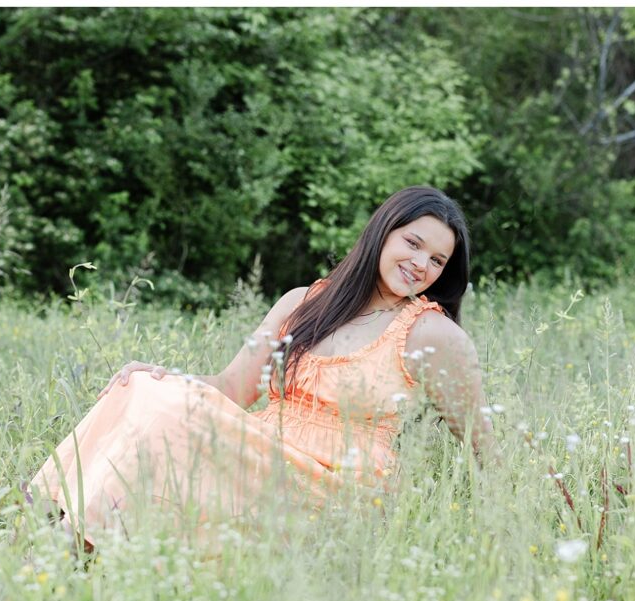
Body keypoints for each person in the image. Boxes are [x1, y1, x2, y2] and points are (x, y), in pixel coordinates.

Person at [29, 186, 497, 553]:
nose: (420, 264)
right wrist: (160, 376)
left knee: (166, 416)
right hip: (258, 456)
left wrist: (509, 516)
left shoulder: (433, 336)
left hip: (335, 487)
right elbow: (232, 388)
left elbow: (482, 444)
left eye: (437, 260)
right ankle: (69, 536)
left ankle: (63, 550)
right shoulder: (303, 302)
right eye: (412, 244)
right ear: (383, 233)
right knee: (146, 392)